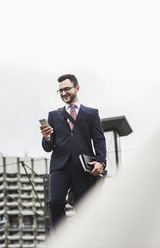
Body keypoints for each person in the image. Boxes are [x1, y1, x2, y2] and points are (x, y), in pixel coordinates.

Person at [40, 74, 107, 229]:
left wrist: (100, 161)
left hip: (83, 167)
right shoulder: (54, 115)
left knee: (84, 207)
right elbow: (48, 147)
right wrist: (47, 137)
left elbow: (99, 140)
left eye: (66, 89)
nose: (63, 93)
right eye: (60, 91)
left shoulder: (91, 113)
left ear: (77, 88)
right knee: (55, 202)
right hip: (59, 166)